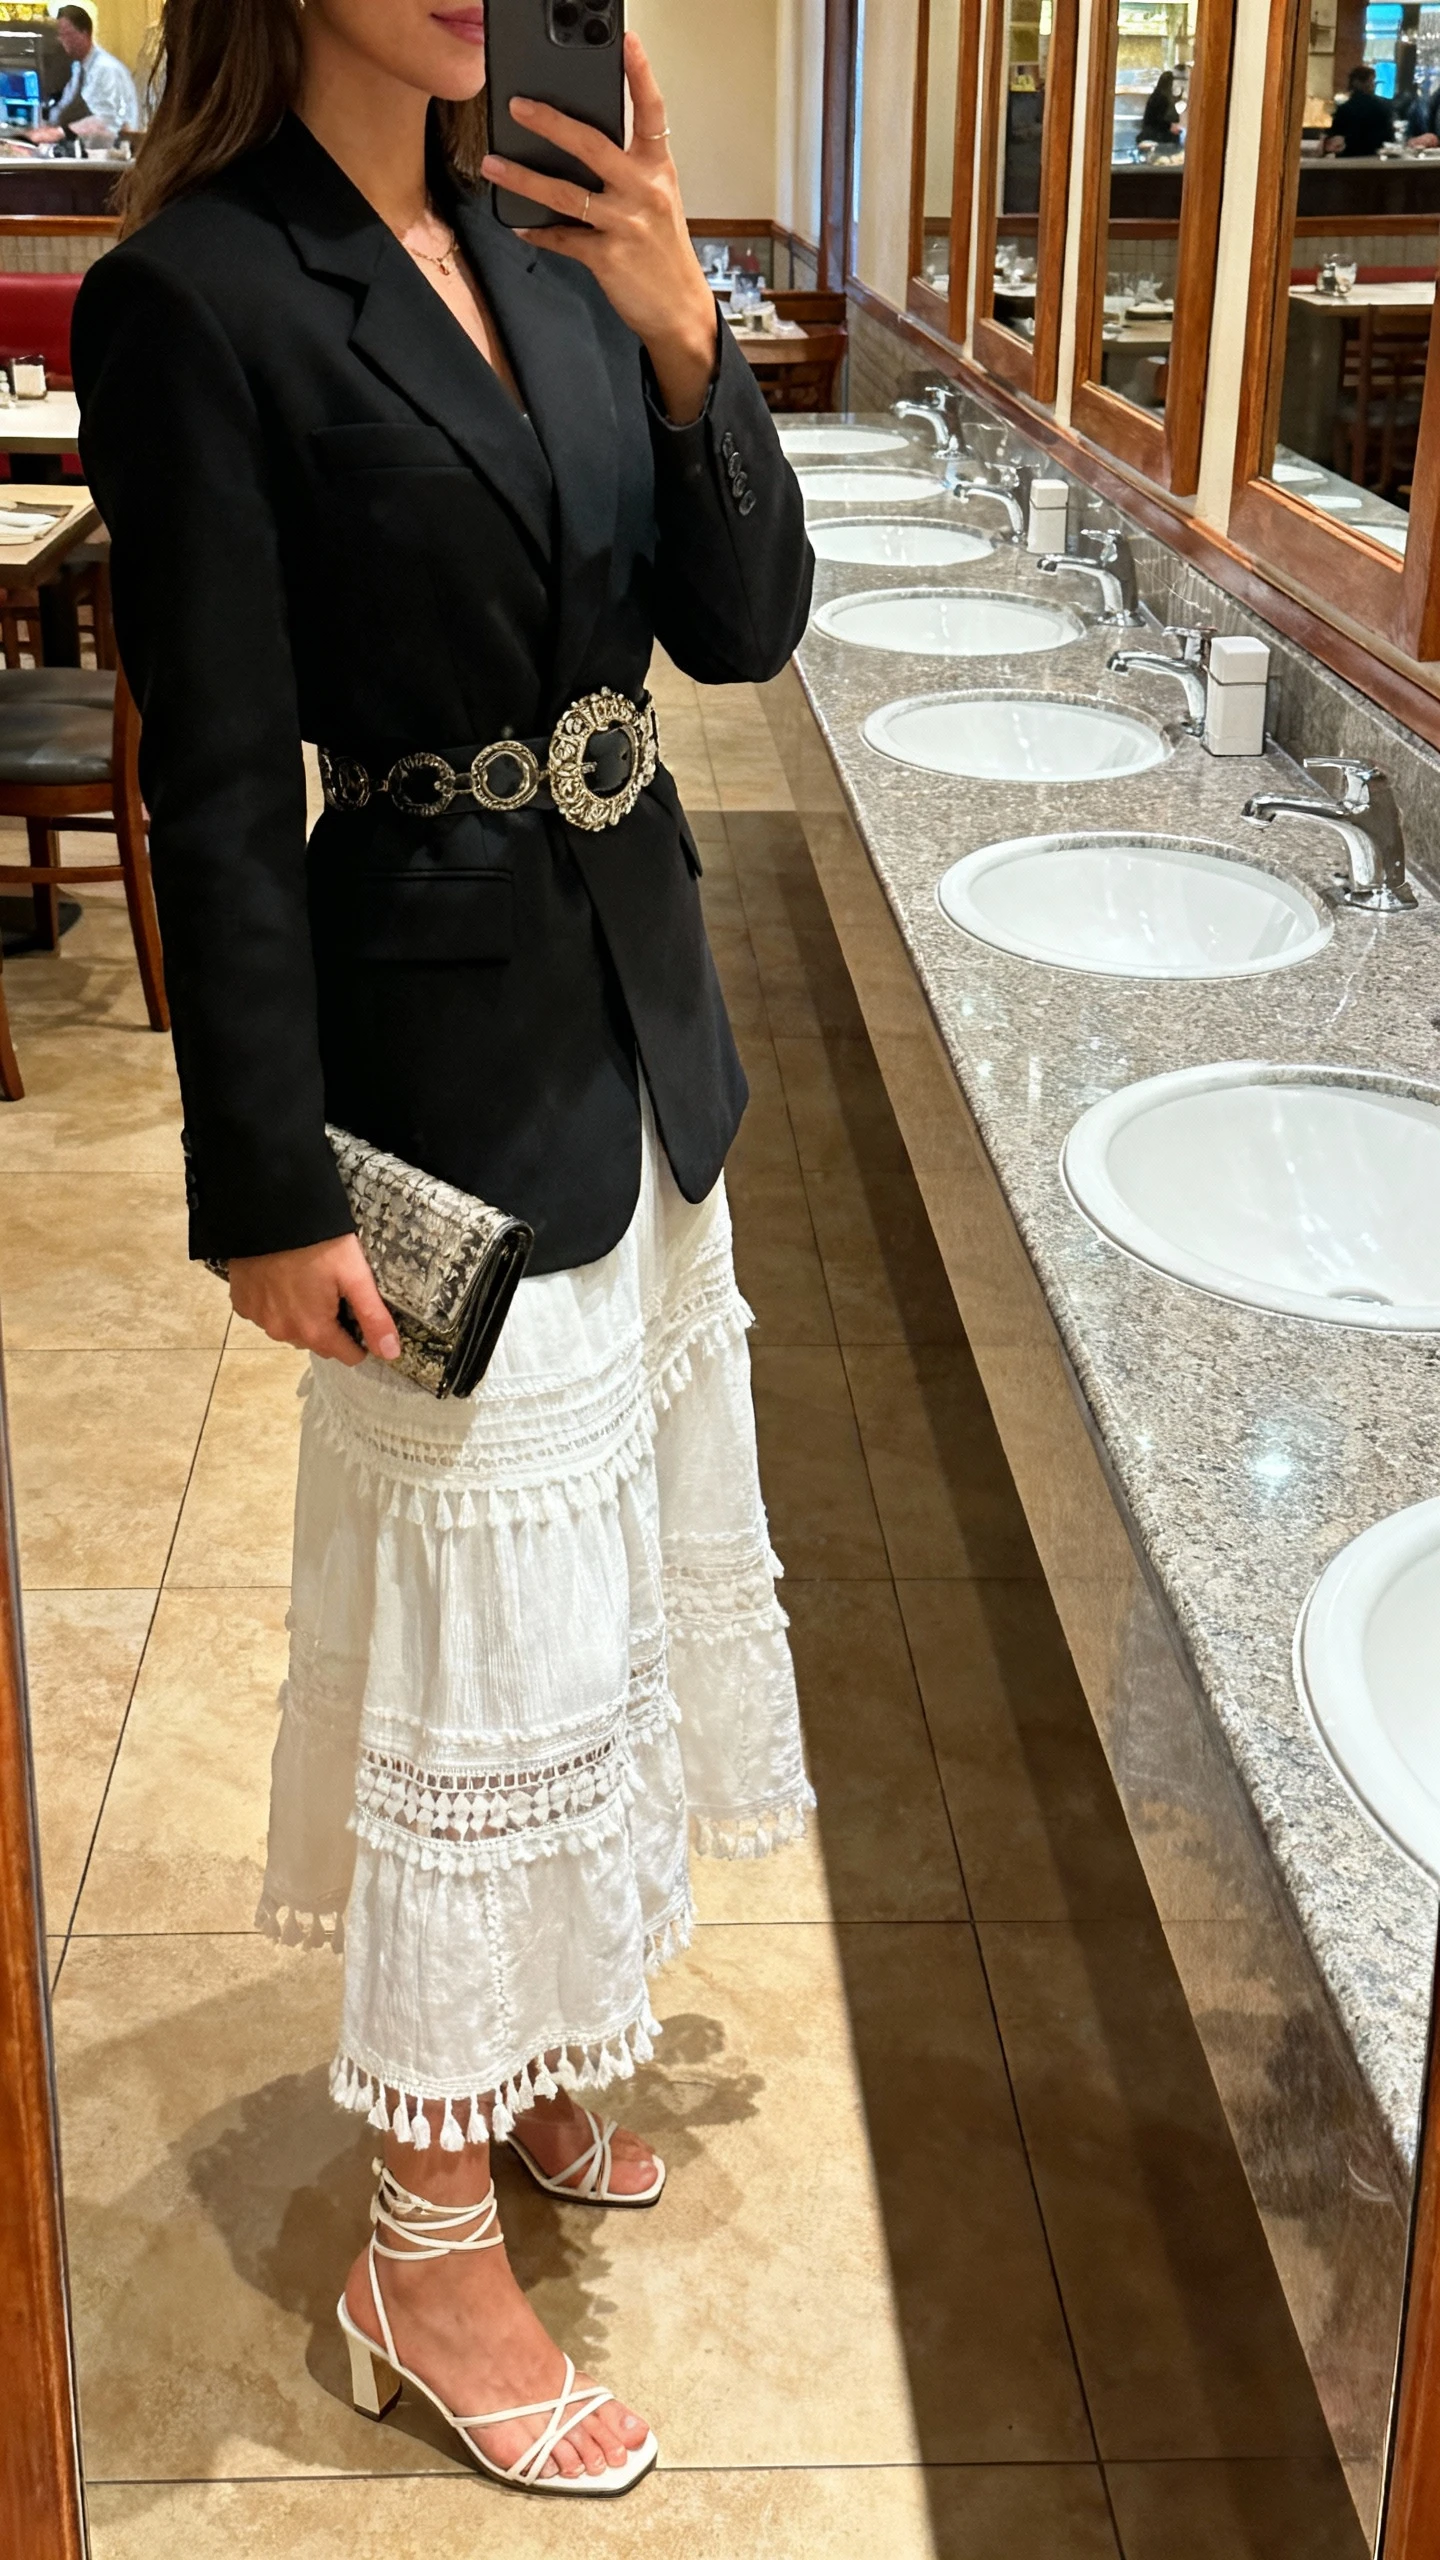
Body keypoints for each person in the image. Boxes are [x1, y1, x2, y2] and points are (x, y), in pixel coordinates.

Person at [73, 0, 814, 2502]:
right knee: (463, 1651)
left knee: (597, 1601)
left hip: (641, 1024)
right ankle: (417, 2222)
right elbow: (208, 759)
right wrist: (258, 1175)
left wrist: (695, 336)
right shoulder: (203, 291)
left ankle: (516, 2068)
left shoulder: (559, 227)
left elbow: (734, 630)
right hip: (425, 1070)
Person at [34, 5, 140, 145]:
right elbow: (64, 107)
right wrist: (46, 128)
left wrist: (59, 132)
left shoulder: (106, 68)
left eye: (67, 34)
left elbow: (105, 120)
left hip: (113, 152)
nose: (63, 41)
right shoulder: (78, 68)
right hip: (84, 148)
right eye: (61, 35)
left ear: (84, 33)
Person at [1325, 63, 1396, 156]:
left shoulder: (1345, 108)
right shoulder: (1382, 106)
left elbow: (1335, 134)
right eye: (1371, 81)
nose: (1374, 84)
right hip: (1374, 157)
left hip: (1347, 157)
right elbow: (1389, 136)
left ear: (1355, 83)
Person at [1138, 67, 1182, 146]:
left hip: (1154, 132)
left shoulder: (1160, 96)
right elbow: (1159, 121)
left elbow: (1174, 118)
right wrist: (1170, 127)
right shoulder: (1160, 98)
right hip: (1155, 134)